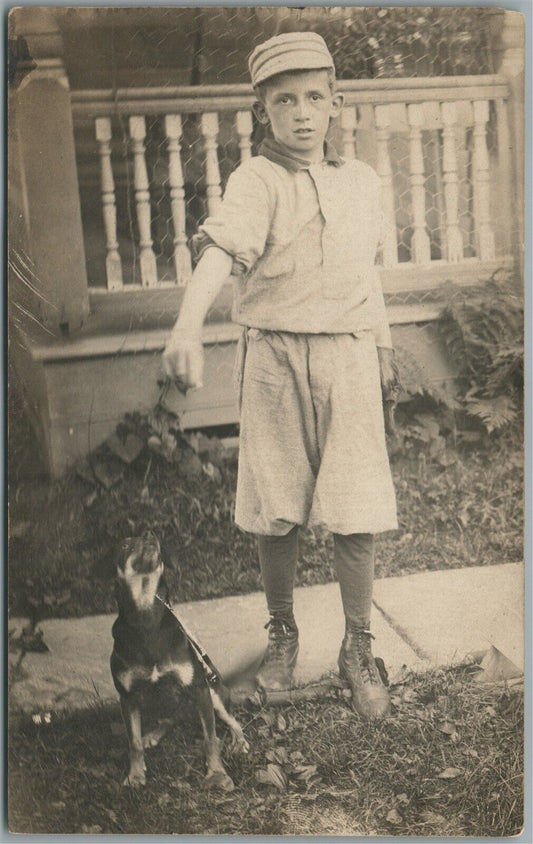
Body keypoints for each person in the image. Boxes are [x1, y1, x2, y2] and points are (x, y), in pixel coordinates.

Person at [163, 32, 400, 719]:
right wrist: (185, 327)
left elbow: (366, 272)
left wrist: (382, 348)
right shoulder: (255, 181)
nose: (302, 113)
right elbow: (221, 250)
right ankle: (282, 633)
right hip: (274, 357)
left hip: (348, 354)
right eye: (285, 100)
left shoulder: (360, 181)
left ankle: (358, 646)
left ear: (335, 104)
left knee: (356, 504)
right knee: (276, 504)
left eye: (315, 98)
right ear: (261, 109)